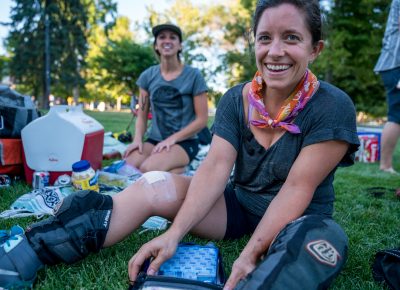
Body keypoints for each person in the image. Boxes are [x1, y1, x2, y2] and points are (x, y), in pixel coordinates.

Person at [0, 1, 360, 289]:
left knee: (322, 241)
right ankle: (27, 253)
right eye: (265, 38)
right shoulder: (237, 99)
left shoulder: (332, 105)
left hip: (297, 219)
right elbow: (216, 167)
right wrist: (174, 233)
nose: (275, 51)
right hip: (238, 208)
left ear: (315, 49)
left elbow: (298, 188)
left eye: (291, 38)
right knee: (153, 183)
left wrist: (249, 254)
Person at [123, 23, 209, 174]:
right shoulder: (147, 76)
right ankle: (177, 170)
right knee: (127, 167)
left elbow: (202, 120)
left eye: (173, 37)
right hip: (155, 139)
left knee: (148, 170)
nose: (167, 41)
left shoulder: (194, 75)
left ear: (180, 46)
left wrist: (172, 139)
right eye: (162, 37)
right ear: (156, 46)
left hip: (184, 141)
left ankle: (178, 168)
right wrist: (137, 140)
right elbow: (142, 116)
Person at [374, 0, 400, 174]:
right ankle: (385, 165)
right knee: (396, 115)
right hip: (396, 65)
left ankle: (386, 164)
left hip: (393, 65)